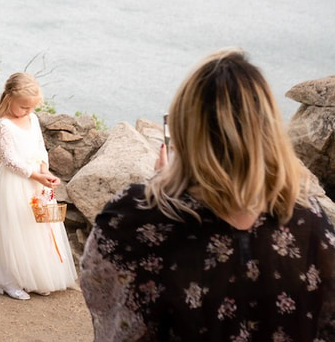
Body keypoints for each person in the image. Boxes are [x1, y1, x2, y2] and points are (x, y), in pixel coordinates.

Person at [81, 48, 335, 340]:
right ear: (267, 130)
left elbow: (102, 293)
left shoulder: (134, 219)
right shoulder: (311, 224)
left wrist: (163, 185)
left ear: (185, 128)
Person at [0, 72, 78, 300]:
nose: (27, 111)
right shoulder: (4, 124)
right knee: (14, 229)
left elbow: (40, 146)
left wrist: (45, 170)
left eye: (31, 107)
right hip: (17, 182)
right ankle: (9, 280)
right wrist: (34, 175)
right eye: (23, 107)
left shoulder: (32, 119)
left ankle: (31, 276)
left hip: (37, 179)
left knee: (37, 229)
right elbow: (9, 159)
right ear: (9, 99)